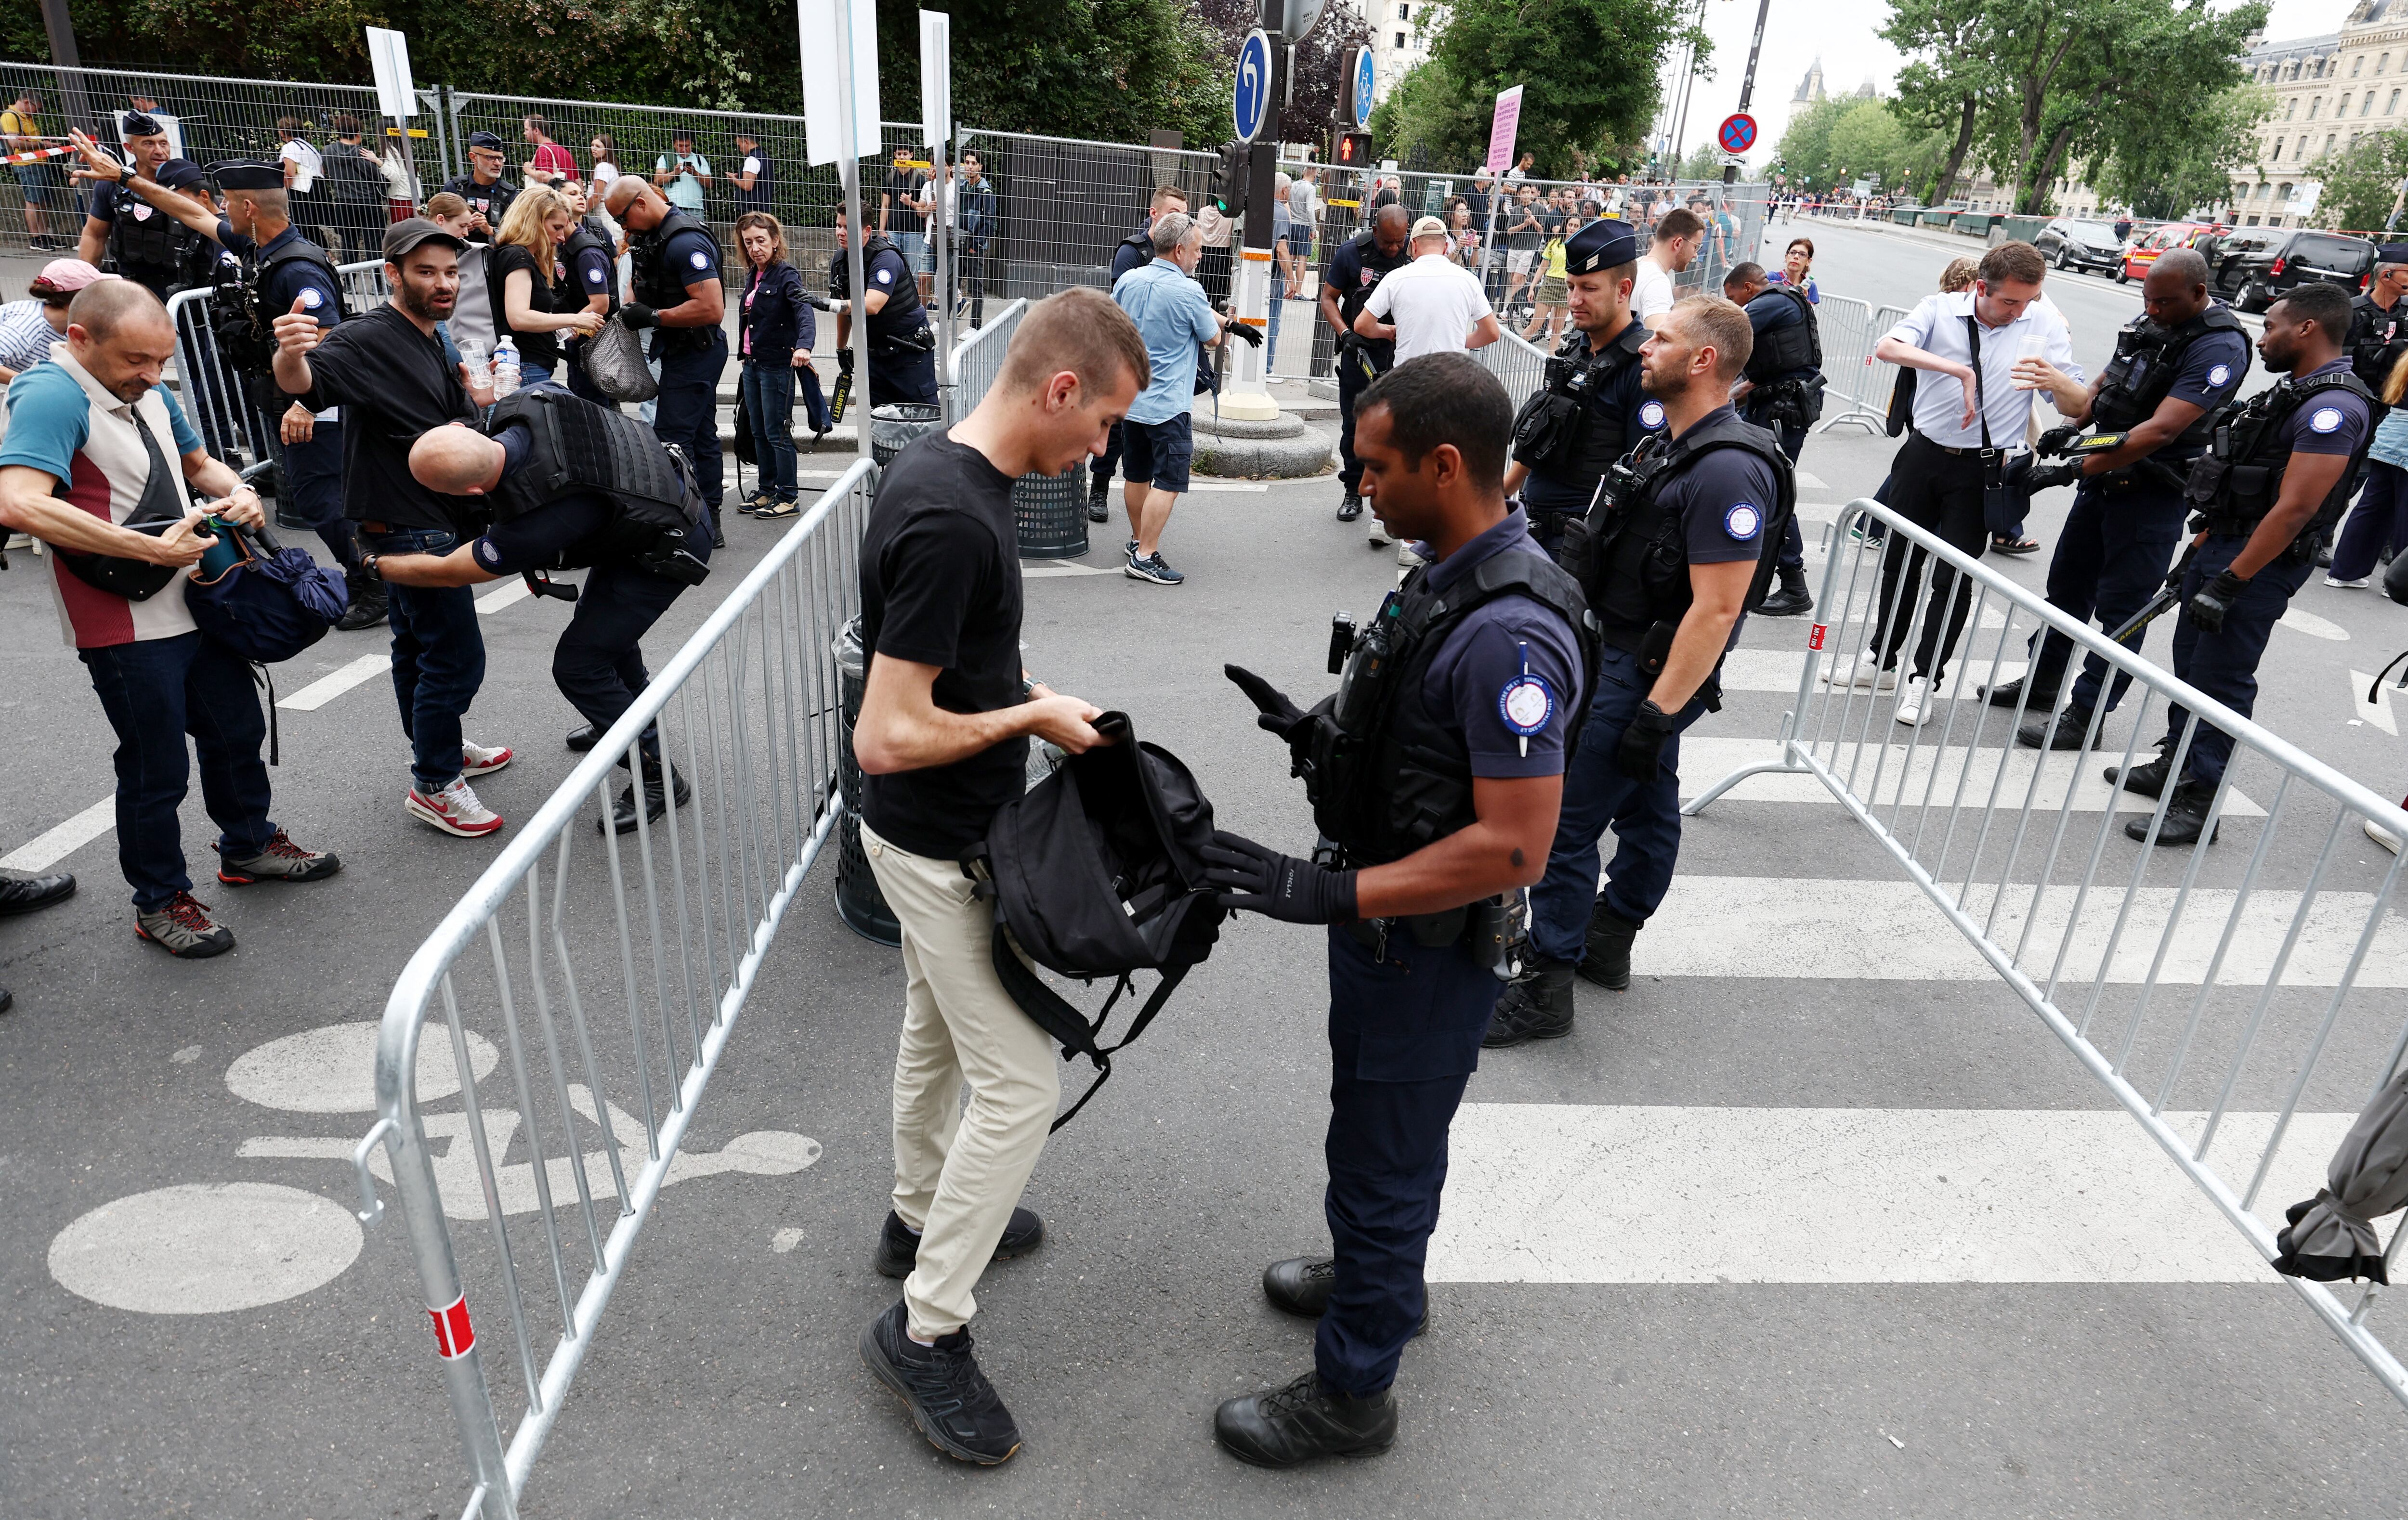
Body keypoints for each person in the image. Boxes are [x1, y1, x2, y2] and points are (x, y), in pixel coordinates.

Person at [1203, 352, 1589, 1463]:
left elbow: (1516, 842)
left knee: (1385, 1154)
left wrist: (1324, 890)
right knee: (1373, 1133)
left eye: (1375, 468)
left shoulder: (1510, 631)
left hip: (1424, 947)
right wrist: (1326, 733)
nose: (1357, 482)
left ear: (1446, 464)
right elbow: (1422, 734)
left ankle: (1353, 1392)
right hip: (1388, 936)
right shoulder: (1445, 565)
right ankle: (1382, 1279)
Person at [849, 286, 1144, 1468]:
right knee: (1019, 1084)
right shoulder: (958, 519)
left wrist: (1018, 700)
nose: (1102, 447)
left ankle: (917, 1215)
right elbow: (885, 732)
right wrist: (1028, 712)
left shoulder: (943, 475)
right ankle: (927, 1330)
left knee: (934, 1034)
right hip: (932, 839)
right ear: (1059, 388)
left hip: (934, 827)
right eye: (1105, 421)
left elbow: (941, 681)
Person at [0, 279, 340, 956]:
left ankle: (247, 846)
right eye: (136, 361)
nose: (152, 376)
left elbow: (198, 463)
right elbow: (18, 503)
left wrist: (240, 491)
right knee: (156, 767)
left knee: (235, 728)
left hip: (195, 593)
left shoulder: (142, 386)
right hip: (119, 615)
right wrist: (148, 547)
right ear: (79, 339)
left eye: (162, 360)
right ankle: (159, 900)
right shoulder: (49, 392)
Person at [1483, 297, 1788, 1045]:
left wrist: (1655, 712)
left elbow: (1718, 609)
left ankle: (1546, 984)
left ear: (1704, 360)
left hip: (1645, 673)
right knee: (1648, 804)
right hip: (1627, 658)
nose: (1646, 347)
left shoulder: (1726, 472)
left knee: (1564, 827)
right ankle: (1610, 937)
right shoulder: (1677, 443)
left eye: (1662, 339)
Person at [269, 217, 519, 837]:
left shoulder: (433, 335)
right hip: (406, 523)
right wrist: (289, 353)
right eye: (426, 272)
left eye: (450, 273)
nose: (443, 283)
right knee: (456, 657)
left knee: (416, 646)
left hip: (425, 517)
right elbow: (308, 380)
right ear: (392, 274)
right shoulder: (366, 337)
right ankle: (434, 782)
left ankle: (439, 749)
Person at [68, 140, 384, 628]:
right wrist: (124, 179)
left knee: (321, 500)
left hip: (314, 407)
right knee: (319, 496)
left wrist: (306, 403)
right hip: (289, 399)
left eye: (227, 202)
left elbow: (327, 342)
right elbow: (189, 213)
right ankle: (373, 573)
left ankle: (374, 580)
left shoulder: (297, 266)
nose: (217, 209)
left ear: (249, 208)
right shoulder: (260, 245)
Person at [370, 384, 713, 829]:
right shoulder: (533, 399)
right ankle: (616, 721)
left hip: (667, 545)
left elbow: (450, 572)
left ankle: (658, 776)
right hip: (649, 506)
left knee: (580, 665)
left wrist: (375, 566)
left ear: (472, 489)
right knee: (606, 641)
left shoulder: (535, 523)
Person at [2109, 283, 2375, 846]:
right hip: (2228, 544)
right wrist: (2200, 554)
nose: (2262, 336)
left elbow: (2296, 508)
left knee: (2222, 679)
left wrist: (2232, 581)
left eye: (2271, 325)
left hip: (2261, 561)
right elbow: (2245, 488)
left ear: (2305, 328)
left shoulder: (2332, 406)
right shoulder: (2295, 392)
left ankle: (2198, 801)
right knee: (2190, 664)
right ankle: (2175, 763)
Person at [1991, 248, 2251, 747]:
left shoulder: (2218, 345)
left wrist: (2071, 467)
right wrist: (2069, 430)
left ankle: (2086, 715)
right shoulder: (2151, 317)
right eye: (2147, 299)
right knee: (2066, 589)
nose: (2151, 310)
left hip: (2151, 491)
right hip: (2102, 478)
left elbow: (2159, 430)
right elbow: (2107, 384)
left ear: (2198, 293)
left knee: (2123, 610)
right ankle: (2043, 682)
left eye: (2164, 302)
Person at [1842, 242, 2080, 727]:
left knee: (1953, 578)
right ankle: (1880, 659)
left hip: (1982, 469)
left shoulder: (2042, 323)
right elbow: (1887, 347)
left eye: (2029, 300)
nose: (2020, 311)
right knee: (1898, 562)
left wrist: (2056, 380)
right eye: (2009, 302)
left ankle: (1924, 680)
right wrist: (1956, 370)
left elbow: (2076, 407)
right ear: (1979, 288)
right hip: (1923, 454)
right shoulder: (1940, 310)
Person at [1500, 218, 1667, 550]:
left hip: (1586, 549)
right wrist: (1495, 498)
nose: (1575, 300)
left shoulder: (1645, 366)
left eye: (1589, 289)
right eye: (1571, 287)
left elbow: (1644, 478)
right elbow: (1542, 440)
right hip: (1534, 532)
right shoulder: (1577, 348)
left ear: (1624, 290)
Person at [1109, 212, 1245, 587]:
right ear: (1180, 249)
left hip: (1131, 398)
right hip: (1168, 404)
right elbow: (1212, 338)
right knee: (1168, 480)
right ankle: (1145, 555)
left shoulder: (1129, 281)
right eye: (1198, 250)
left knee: (1135, 474)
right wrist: (1228, 325)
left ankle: (1138, 540)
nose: (1200, 256)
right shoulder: (1189, 291)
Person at [606, 178, 729, 546]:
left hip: (696, 350)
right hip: (682, 350)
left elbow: (712, 308)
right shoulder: (654, 237)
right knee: (702, 434)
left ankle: (687, 524)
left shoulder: (685, 242)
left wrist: (654, 316)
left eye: (624, 219)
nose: (624, 229)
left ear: (642, 204)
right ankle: (708, 521)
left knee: (673, 440)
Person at [1720, 260, 1820, 618]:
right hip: (1776, 405)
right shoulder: (1781, 300)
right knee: (1767, 489)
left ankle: (1793, 583)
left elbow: (1724, 332)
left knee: (1775, 494)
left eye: (1734, 298)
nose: (1735, 305)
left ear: (1748, 288)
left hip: (1783, 412)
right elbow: (1759, 379)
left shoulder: (1770, 301)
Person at [1322, 204, 1413, 531]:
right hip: (1358, 351)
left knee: (1398, 429)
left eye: (1399, 242)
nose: (1393, 249)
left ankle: (1389, 497)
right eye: (1388, 242)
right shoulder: (1351, 253)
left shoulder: (1411, 257)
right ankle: (1352, 491)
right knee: (1355, 424)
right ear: (1375, 231)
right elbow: (1328, 297)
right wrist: (1345, 333)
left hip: (1398, 353)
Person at [733, 211, 818, 520]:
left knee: (777, 432)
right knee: (758, 431)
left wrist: (805, 345)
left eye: (761, 241)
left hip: (775, 366)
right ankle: (767, 489)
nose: (756, 247)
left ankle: (788, 496)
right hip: (751, 365)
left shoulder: (786, 274)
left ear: (775, 241)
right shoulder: (753, 275)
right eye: (749, 243)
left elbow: (803, 311)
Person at [74, 113, 206, 302]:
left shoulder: (188, 183)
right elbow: (95, 235)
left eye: (164, 143)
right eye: (149, 144)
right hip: (132, 286)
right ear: (130, 148)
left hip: (184, 287)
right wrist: (83, 284)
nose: (160, 151)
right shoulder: (112, 184)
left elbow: (214, 225)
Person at [825, 204, 937, 410]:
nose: (841, 232)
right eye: (839, 226)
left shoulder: (885, 257)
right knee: (880, 422)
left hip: (908, 353)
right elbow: (844, 309)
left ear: (867, 231)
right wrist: (841, 349)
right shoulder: (840, 261)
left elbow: (872, 305)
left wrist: (826, 305)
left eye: (848, 227)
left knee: (922, 418)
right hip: (875, 355)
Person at [491, 186, 603, 386]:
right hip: (524, 366)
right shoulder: (518, 255)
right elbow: (518, 318)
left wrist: (562, 326)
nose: (561, 237)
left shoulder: (517, 255)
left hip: (528, 364)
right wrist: (576, 319)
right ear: (536, 221)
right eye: (557, 227)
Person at [1354, 215, 1499, 367]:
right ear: (1445, 247)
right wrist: (1458, 340)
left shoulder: (1396, 278)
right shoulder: (1468, 280)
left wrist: (1389, 331)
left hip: (1408, 376)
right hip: (1452, 377)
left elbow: (1362, 325)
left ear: (1414, 245)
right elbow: (1492, 333)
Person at [553, 181, 620, 406]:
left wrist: (567, 327)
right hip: (582, 336)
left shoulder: (586, 252)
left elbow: (600, 303)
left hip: (594, 340)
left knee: (593, 403)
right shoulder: (567, 246)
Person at [0, 259, 109, 384]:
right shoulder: (29, 325)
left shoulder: (68, 326)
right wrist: (31, 383)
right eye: (100, 297)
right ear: (79, 303)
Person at [318, 114, 393, 261]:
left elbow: (325, 171)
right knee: (373, 246)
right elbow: (382, 181)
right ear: (358, 134)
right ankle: (378, 283)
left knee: (348, 245)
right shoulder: (365, 155)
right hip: (368, 203)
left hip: (343, 203)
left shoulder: (327, 152)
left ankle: (349, 282)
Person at [3, 92, 61, 251]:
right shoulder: (11, 117)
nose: (37, 112)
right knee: (33, 202)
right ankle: (35, 238)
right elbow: (15, 142)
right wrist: (44, 145)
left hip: (39, 162)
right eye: (37, 108)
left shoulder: (25, 116)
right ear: (27, 102)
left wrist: (44, 144)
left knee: (42, 202)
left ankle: (44, 236)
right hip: (27, 164)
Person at [440, 131, 520, 245]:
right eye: (491, 157)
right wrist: (462, 227)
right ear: (473, 157)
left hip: (497, 257)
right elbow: (439, 225)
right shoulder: (455, 188)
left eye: (500, 159)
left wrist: (491, 230)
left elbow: (520, 233)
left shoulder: (510, 194)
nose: (498, 164)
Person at [1633, 207, 1702, 322]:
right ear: (1678, 244)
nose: (1695, 255)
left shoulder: (1637, 265)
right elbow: (1659, 336)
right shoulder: (1657, 283)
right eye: (1696, 247)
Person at [956, 151, 997, 328]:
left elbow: (990, 223)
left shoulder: (985, 192)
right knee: (950, 283)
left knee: (975, 287)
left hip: (974, 247)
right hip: (958, 244)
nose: (970, 166)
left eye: (974, 163)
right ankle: (942, 321)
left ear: (980, 167)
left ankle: (975, 326)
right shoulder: (961, 188)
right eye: (967, 162)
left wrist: (976, 245)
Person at [878, 144, 929, 273]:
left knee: (914, 270)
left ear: (911, 155)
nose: (902, 157)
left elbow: (925, 209)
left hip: (914, 232)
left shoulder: (920, 180)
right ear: (895, 155)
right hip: (893, 231)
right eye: (899, 154)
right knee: (892, 268)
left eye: (905, 154)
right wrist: (881, 230)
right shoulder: (890, 178)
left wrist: (910, 202)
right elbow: (885, 205)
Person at [651, 130, 712, 218]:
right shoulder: (665, 158)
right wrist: (675, 173)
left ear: (692, 144)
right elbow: (657, 181)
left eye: (687, 146)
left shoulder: (700, 159)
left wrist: (695, 173)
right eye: (680, 146)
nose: (683, 149)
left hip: (696, 207)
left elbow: (710, 184)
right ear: (674, 144)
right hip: (672, 206)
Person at [521, 114, 576, 187]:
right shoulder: (564, 151)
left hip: (555, 197)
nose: (524, 133)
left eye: (527, 130)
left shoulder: (543, 150)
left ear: (536, 131)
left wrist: (529, 170)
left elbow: (546, 177)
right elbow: (577, 180)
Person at [730, 130, 773, 219]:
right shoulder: (764, 157)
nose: (740, 150)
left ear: (746, 142)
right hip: (762, 208)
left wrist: (734, 179)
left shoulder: (752, 159)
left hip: (751, 211)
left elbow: (747, 186)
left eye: (740, 146)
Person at [1768, 235, 1819, 304]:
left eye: (1803, 255)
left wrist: (1803, 301)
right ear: (1786, 257)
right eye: (1792, 253)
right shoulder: (1771, 278)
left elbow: (1810, 313)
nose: (1796, 257)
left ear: (1808, 262)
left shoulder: (1810, 286)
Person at [589, 133, 623, 198]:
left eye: (598, 147)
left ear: (607, 149)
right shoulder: (611, 166)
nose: (594, 149)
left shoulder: (602, 166)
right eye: (592, 145)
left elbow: (598, 196)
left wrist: (586, 208)